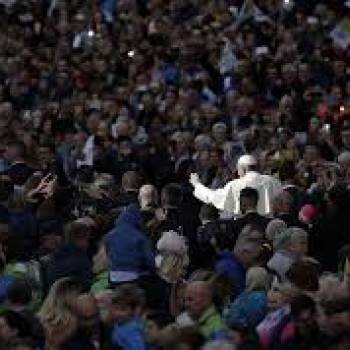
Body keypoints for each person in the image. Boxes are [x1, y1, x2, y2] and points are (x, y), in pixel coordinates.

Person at [190, 154, 282, 216]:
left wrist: (197, 185)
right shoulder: (272, 182)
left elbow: (213, 197)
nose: (237, 173)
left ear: (244, 169)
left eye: (238, 169)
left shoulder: (235, 185)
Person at [109, 284, 147, 350]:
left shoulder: (134, 330)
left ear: (135, 310)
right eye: (115, 308)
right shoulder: (118, 324)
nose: (117, 313)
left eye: (123, 309)